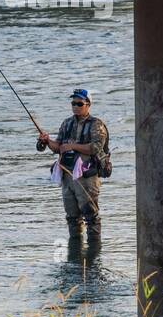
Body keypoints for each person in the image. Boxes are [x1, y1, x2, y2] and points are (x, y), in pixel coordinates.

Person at [36, 88, 109, 241]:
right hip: (67, 175)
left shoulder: (97, 124)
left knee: (91, 216)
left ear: (88, 105)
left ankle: (93, 255)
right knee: (72, 217)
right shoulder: (67, 123)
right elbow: (59, 147)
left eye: (79, 103)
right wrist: (47, 141)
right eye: (73, 103)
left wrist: (73, 146)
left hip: (87, 176)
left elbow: (96, 147)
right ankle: (75, 254)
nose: (75, 106)